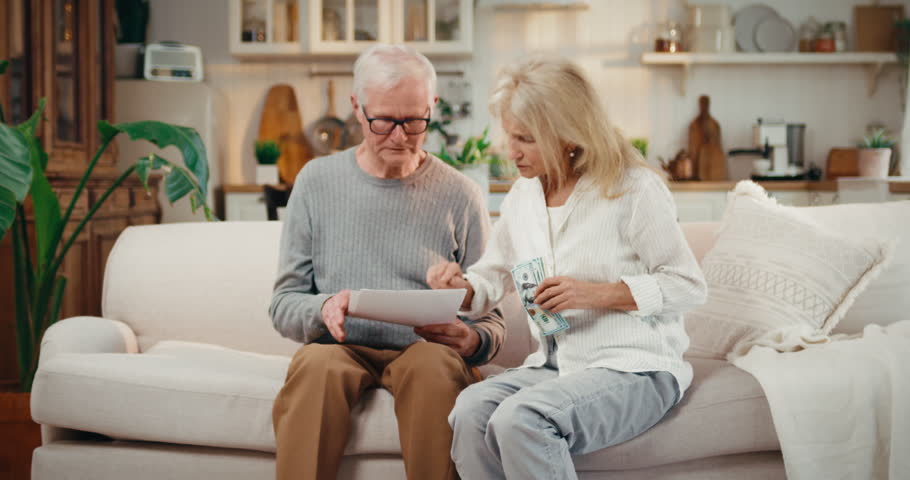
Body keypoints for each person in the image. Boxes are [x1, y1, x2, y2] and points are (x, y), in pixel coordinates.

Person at [426, 55, 708, 480]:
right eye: (509, 135)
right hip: (557, 366)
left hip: (636, 367)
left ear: (568, 135)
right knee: (470, 410)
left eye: (526, 138)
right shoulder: (523, 197)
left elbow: (688, 285)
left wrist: (597, 293)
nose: (511, 150)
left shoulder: (632, 188)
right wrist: (460, 286)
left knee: (519, 418)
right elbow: (492, 276)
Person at [270, 44, 505, 480]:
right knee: (317, 368)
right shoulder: (316, 182)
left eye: (414, 121)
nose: (399, 136)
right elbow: (284, 303)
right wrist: (322, 310)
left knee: (435, 368)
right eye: (384, 121)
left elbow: (491, 321)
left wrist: (470, 341)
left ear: (432, 107)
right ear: (357, 108)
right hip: (338, 348)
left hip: (426, 351)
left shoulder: (462, 195)